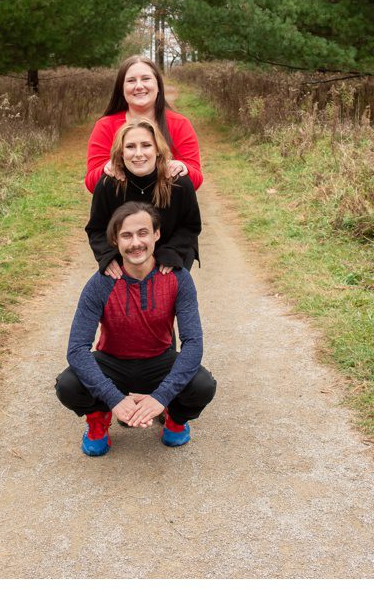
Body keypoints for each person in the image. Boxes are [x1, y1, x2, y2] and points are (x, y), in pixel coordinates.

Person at [55, 201, 217, 455]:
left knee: (203, 384)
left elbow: (193, 344)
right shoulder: (100, 283)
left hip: (159, 361)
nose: (135, 243)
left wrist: (161, 396)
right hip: (112, 362)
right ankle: (98, 420)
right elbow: (77, 349)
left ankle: (174, 418)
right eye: (126, 236)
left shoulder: (178, 278)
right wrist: (114, 399)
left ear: (156, 234)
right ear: (115, 242)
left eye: (143, 233)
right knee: (68, 384)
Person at [85, 119, 200, 277]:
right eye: (130, 147)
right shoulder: (108, 185)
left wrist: (171, 254)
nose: (138, 153)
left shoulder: (179, 183)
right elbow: (96, 229)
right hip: (125, 258)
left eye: (146, 145)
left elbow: (190, 226)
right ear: (121, 152)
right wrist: (108, 256)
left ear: (158, 150)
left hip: (173, 254)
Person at [85, 56, 202, 193]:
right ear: (121, 89)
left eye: (146, 79)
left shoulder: (180, 124)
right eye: (131, 81)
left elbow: (196, 180)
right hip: (120, 211)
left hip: (168, 209)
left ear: (158, 86)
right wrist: (106, 169)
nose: (139, 86)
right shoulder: (105, 126)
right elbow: (91, 184)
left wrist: (183, 168)